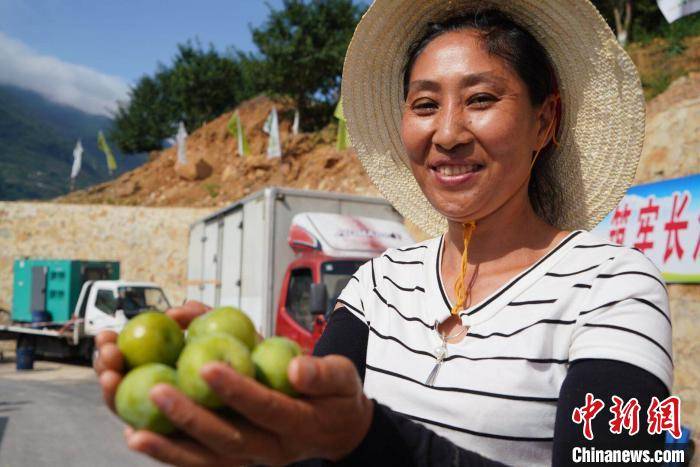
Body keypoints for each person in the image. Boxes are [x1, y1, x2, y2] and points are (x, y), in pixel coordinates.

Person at [94, 1, 673, 465]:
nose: (447, 133)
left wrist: (367, 437)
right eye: (424, 104)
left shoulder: (614, 287)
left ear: (544, 121)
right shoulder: (378, 283)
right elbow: (315, 440)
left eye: (480, 99)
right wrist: (257, 426)